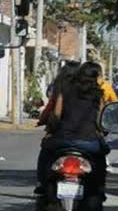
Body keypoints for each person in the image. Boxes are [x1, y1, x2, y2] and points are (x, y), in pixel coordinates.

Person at [35, 61, 109, 197]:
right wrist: (101, 131)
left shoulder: (65, 89)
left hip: (62, 139)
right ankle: (100, 186)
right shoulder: (98, 94)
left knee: (45, 151)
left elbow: (56, 115)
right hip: (89, 142)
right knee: (101, 157)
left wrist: (50, 132)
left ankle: (41, 182)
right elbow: (100, 120)